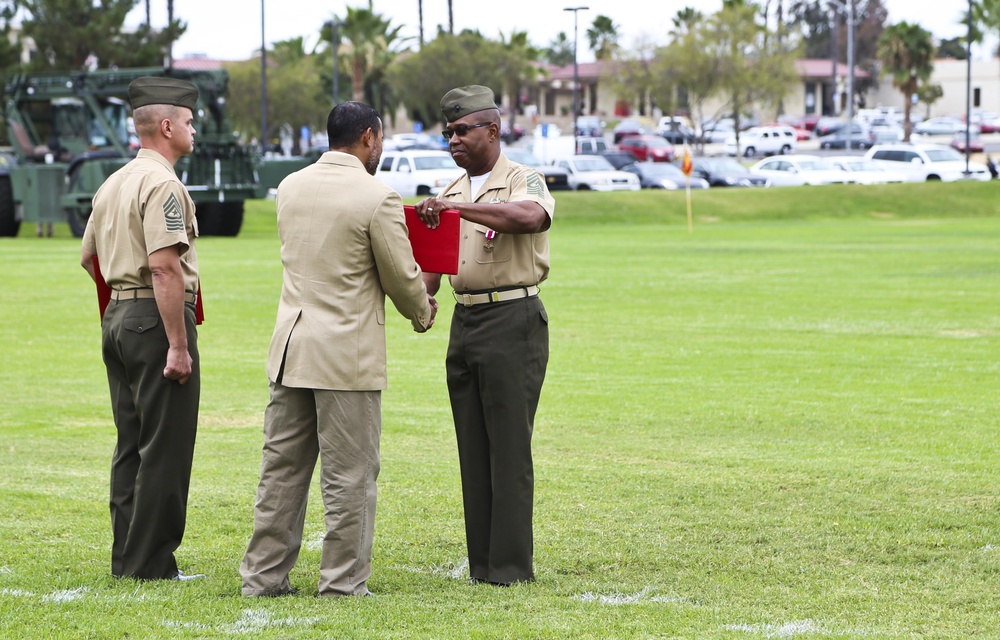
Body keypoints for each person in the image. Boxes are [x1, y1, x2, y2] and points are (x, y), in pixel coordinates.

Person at [240, 101, 438, 598]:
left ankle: (263, 577)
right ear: (369, 137)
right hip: (344, 356)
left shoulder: (290, 186)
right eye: (382, 140)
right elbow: (399, 275)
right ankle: (343, 581)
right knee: (350, 475)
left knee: (281, 470)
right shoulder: (377, 196)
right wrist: (422, 310)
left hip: (290, 347)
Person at [416, 85, 554, 586]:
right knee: (472, 448)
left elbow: (531, 217)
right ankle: (482, 564)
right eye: (447, 132)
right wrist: (422, 299)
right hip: (465, 321)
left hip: (512, 320)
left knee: (509, 448)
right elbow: (430, 270)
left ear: (492, 131)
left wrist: (460, 211)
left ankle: (511, 568)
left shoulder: (522, 179)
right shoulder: (449, 191)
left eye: (461, 130)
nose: (452, 139)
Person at [79, 76, 202, 581]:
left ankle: (127, 558)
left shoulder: (114, 181)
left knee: (131, 442)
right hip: (155, 317)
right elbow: (164, 267)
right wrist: (176, 342)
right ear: (168, 126)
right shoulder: (163, 184)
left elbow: (90, 258)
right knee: (165, 445)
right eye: (190, 122)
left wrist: (120, 317)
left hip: (120, 319)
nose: (195, 130)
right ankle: (151, 564)